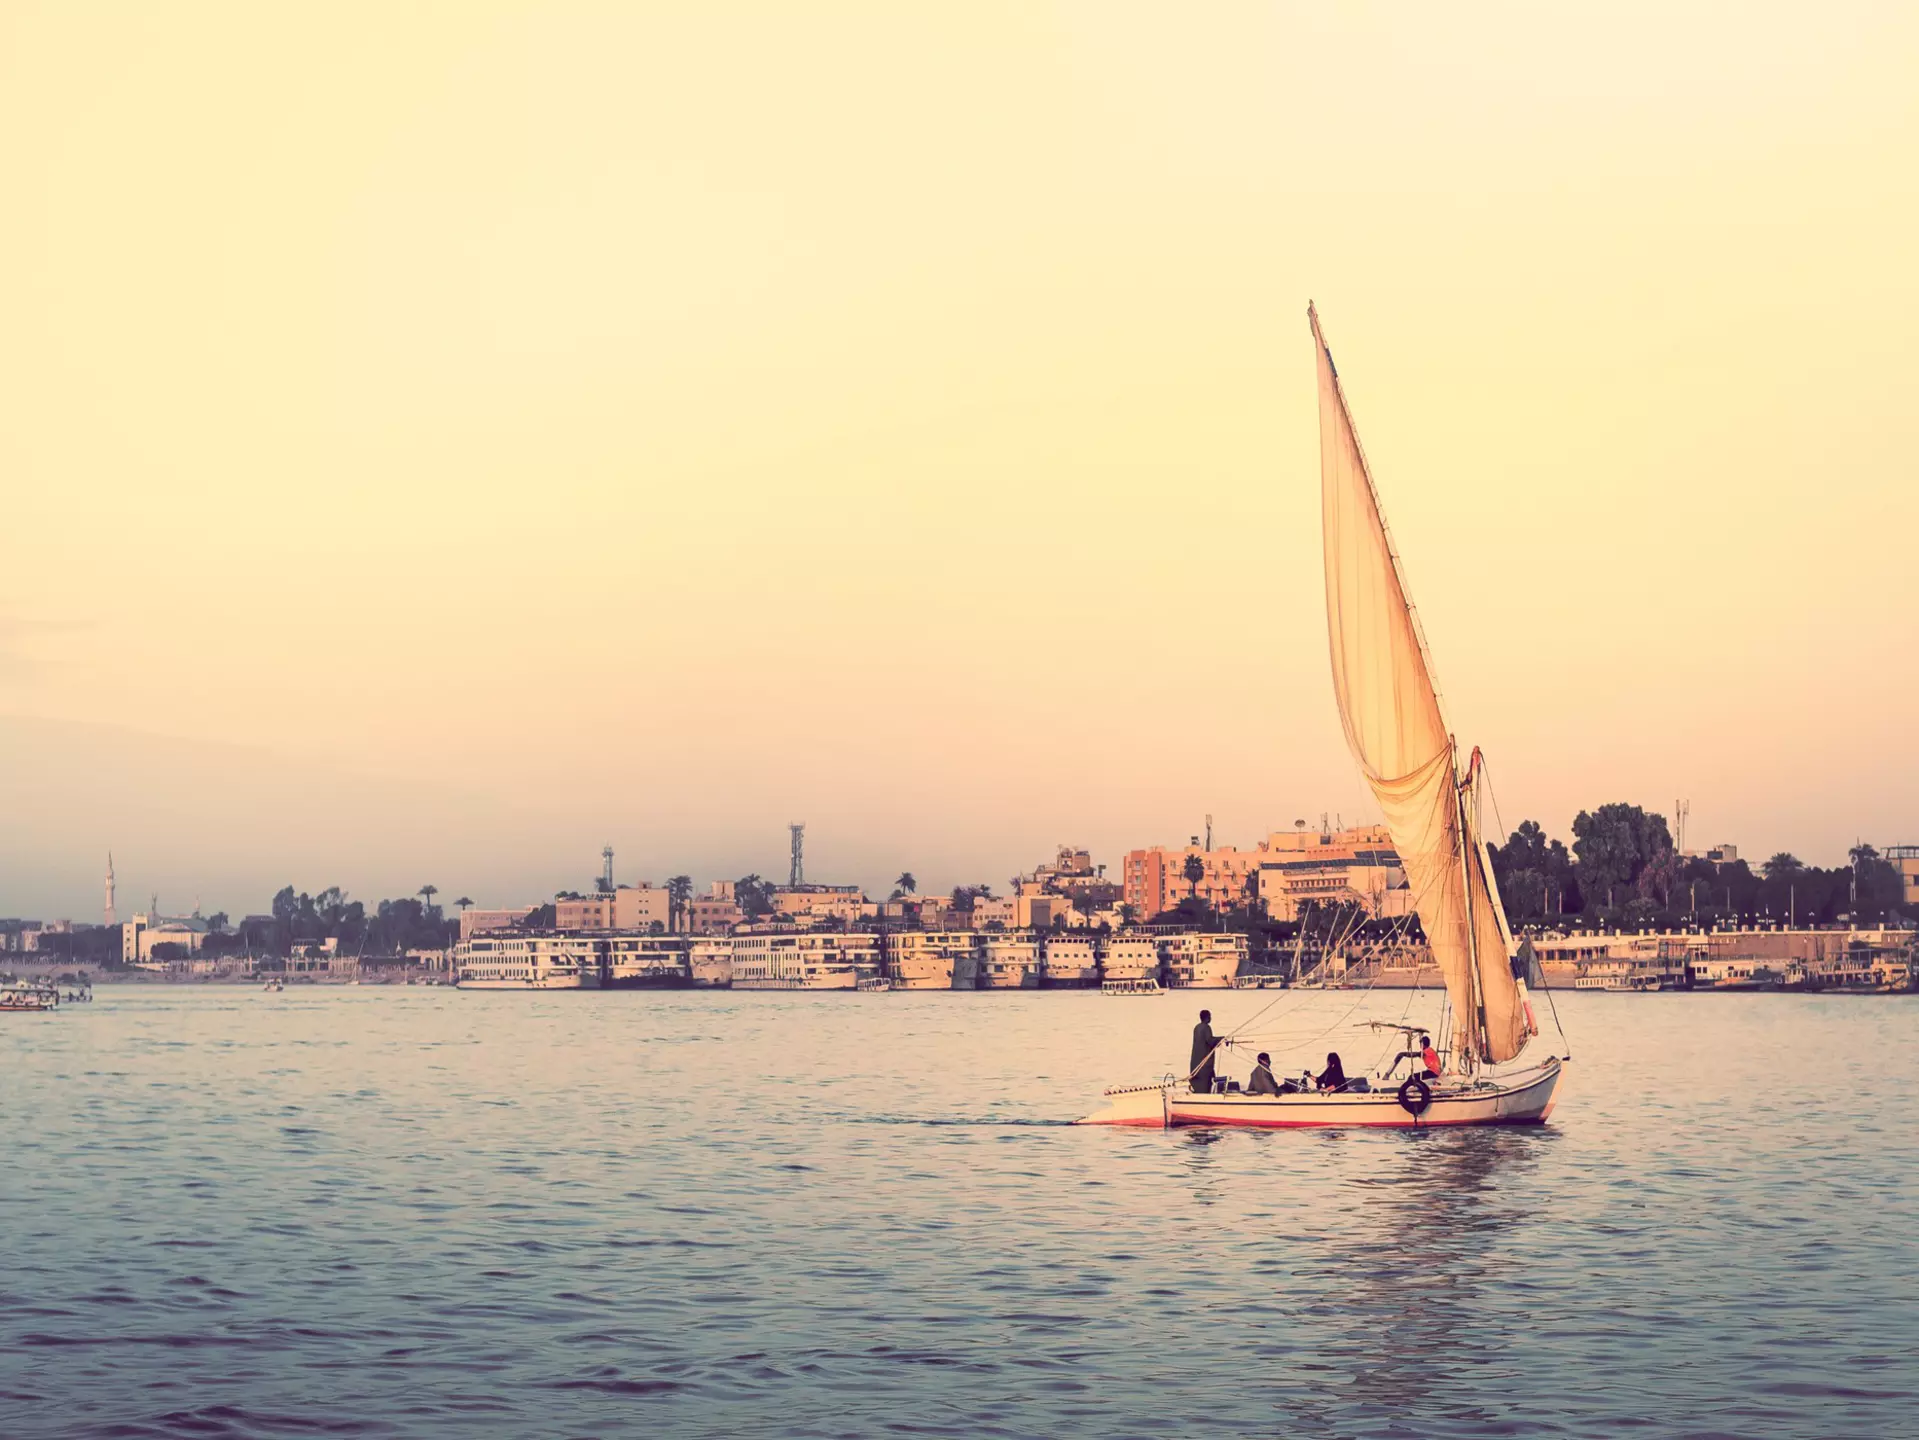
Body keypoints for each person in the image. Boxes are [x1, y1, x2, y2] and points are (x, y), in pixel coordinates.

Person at [1189, 1010, 1221, 1093]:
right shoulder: (1206, 1027)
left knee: (1199, 1085)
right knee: (1206, 1085)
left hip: (1196, 1064)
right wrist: (1221, 1039)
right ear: (1207, 1018)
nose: (1210, 1018)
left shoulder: (1197, 1027)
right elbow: (1210, 1041)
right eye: (1210, 1016)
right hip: (1204, 1065)